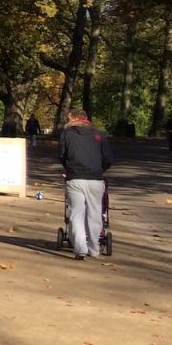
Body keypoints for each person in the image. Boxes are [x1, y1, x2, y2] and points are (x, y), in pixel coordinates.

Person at [60, 108, 113, 260]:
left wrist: (70, 168)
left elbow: (62, 155)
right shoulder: (99, 134)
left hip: (75, 178)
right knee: (95, 213)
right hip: (95, 179)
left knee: (76, 213)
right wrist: (98, 170)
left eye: (68, 119)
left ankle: (80, 248)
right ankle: (94, 248)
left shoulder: (67, 134)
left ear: (75, 119)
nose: (66, 121)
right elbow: (108, 159)